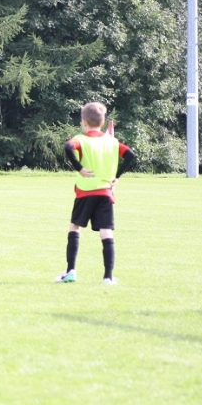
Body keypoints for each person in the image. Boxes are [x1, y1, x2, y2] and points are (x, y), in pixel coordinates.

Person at [56, 102, 137, 285]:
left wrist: (79, 168)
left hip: (85, 192)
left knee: (75, 227)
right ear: (102, 122)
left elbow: (68, 147)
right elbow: (130, 155)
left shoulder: (81, 139)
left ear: (84, 122)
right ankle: (108, 277)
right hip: (105, 192)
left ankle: (71, 271)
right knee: (106, 232)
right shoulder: (112, 142)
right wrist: (117, 176)